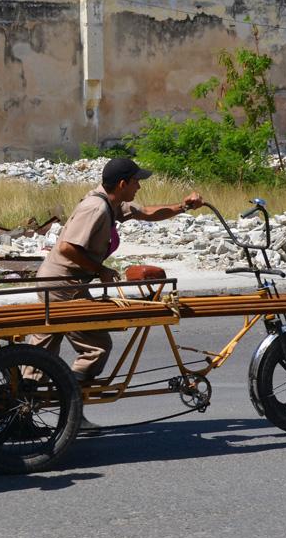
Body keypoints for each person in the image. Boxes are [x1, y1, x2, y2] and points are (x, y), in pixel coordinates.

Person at [29, 156, 203, 429]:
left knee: (44, 348)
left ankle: (25, 408)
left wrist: (183, 207)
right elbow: (66, 248)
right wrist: (100, 270)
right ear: (122, 184)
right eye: (136, 182)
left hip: (65, 283)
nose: (139, 187)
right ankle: (68, 408)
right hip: (63, 285)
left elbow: (146, 213)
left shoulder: (110, 202)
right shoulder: (95, 208)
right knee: (97, 347)